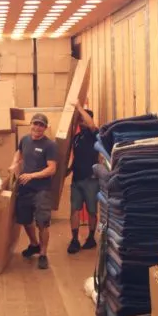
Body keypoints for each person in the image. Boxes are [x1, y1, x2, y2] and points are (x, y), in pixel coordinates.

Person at [10, 113, 58, 270]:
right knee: (24, 219)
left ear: (45, 128)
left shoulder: (49, 145)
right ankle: (34, 244)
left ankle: (43, 253)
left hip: (41, 190)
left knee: (43, 223)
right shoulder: (24, 140)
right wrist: (14, 163)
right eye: (35, 124)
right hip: (25, 188)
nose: (37, 127)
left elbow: (52, 169)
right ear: (31, 124)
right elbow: (19, 152)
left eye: (41, 125)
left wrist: (31, 175)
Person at [67, 102, 100, 254]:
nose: (82, 122)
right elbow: (76, 158)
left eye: (83, 119)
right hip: (77, 179)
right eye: (80, 119)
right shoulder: (77, 138)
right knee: (74, 210)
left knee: (92, 211)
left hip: (91, 179)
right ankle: (74, 239)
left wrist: (79, 108)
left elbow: (92, 125)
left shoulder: (95, 135)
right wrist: (67, 171)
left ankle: (91, 238)